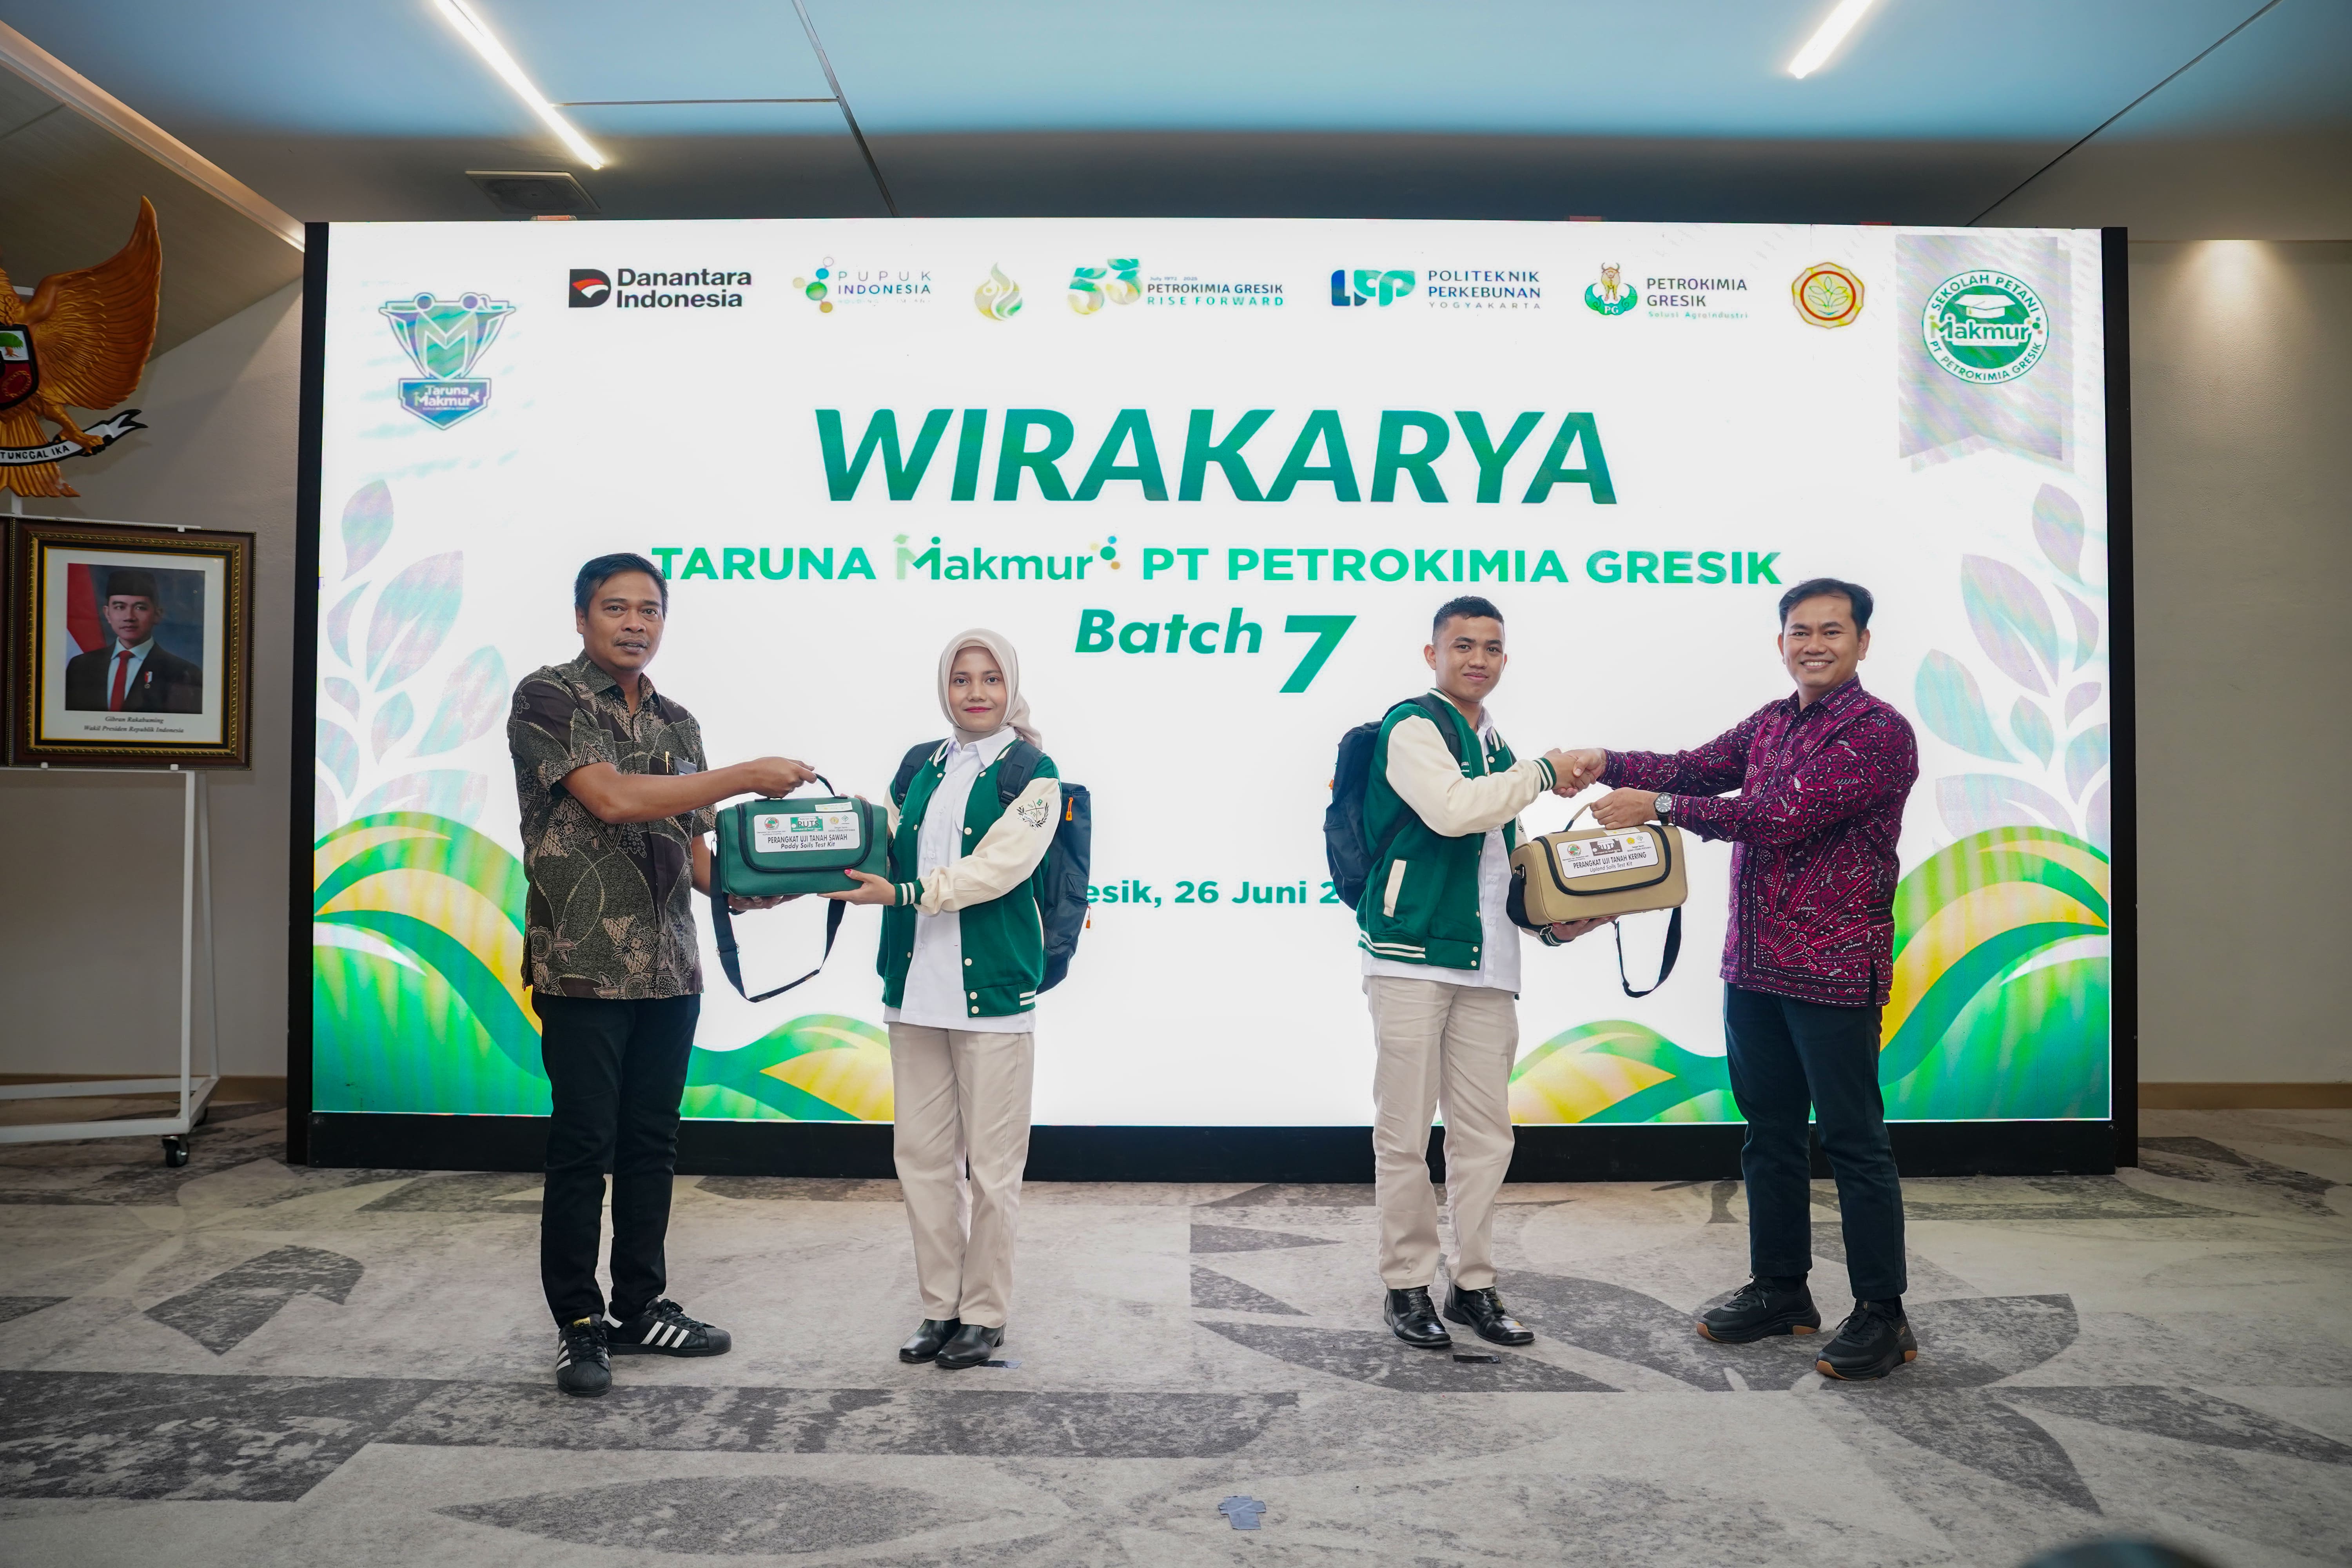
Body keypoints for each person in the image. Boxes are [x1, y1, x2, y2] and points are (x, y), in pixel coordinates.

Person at [1556, 577, 1922, 1381]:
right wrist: (1608, 762)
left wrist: (1660, 806)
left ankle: (1883, 1313)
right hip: (1754, 967)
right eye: (1800, 631)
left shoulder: (1879, 732)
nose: (1814, 644)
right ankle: (1782, 1289)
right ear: (1782, 642)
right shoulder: (1772, 721)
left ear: (1863, 642)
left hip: (1832, 969)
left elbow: (1778, 815)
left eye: (1831, 630)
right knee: (1770, 1134)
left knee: (1855, 1142)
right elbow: (1698, 767)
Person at [507, 551, 815, 1398]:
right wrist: (748, 775)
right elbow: (611, 798)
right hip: (584, 968)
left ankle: (641, 1306)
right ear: (582, 617)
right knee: (584, 1144)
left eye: (650, 609)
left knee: (652, 1143)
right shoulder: (549, 697)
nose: (635, 623)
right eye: (616, 608)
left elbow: (696, 853)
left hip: (672, 969)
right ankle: (579, 1322)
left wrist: (761, 885)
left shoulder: (679, 721)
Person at [1357, 595, 1608, 1351]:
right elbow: (1453, 811)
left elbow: (1499, 865)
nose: (1477, 659)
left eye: (1491, 648)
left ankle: (1473, 1286)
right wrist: (1545, 771)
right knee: (1404, 1134)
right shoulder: (1413, 726)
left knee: (1485, 1137)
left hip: (1489, 964)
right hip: (1410, 957)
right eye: (1462, 645)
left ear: (1505, 659)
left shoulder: (1497, 745)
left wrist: (1553, 922)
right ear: (1431, 655)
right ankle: (1407, 1286)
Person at [828, 630, 1062, 1372]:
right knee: (923, 1162)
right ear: (945, 689)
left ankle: (984, 1315)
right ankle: (940, 1307)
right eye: (962, 679)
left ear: (1010, 686)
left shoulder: (1034, 774)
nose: (976, 693)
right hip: (914, 993)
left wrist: (906, 892)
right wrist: (821, 847)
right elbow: (882, 846)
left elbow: (998, 869)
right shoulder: (919, 766)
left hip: (992, 994)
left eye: (990, 679)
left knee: (992, 1171)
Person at [63, 568, 202, 713]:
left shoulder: (183, 672)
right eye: (120, 607)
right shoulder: (80, 666)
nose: (129, 617)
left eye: (140, 608)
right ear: (108, 614)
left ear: (157, 615)